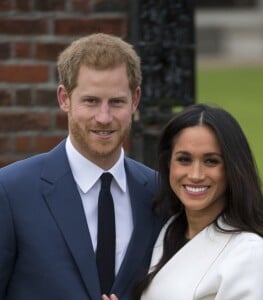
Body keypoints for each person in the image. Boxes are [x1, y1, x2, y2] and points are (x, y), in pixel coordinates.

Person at [0, 33, 162, 300]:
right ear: (64, 98)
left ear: (135, 100)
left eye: (117, 102)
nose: (104, 117)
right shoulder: (11, 191)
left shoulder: (158, 193)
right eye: (91, 101)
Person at [129, 103, 263, 300]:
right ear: (169, 164)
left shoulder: (250, 252)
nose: (195, 175)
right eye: (184, 159)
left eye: (211, 161)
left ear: (232, 169)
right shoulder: (168, 229)